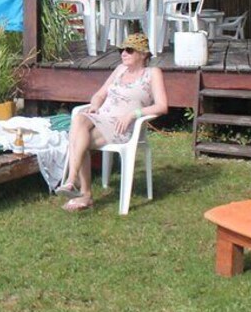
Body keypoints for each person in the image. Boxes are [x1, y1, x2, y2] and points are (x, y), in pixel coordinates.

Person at [56, 33, 168, 212]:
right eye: (121, 50)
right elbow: (100, 94)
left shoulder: (152, 73)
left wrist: (134, 114)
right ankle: (72, 180)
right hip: (101, 117)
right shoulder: (120, 70)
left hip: (122, 126)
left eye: (129, 50)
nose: (124, 53)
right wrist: (94, 106)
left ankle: (81, 190)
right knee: (79, 118)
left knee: (79, 140)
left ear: (143, 54)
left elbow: (162, 106)